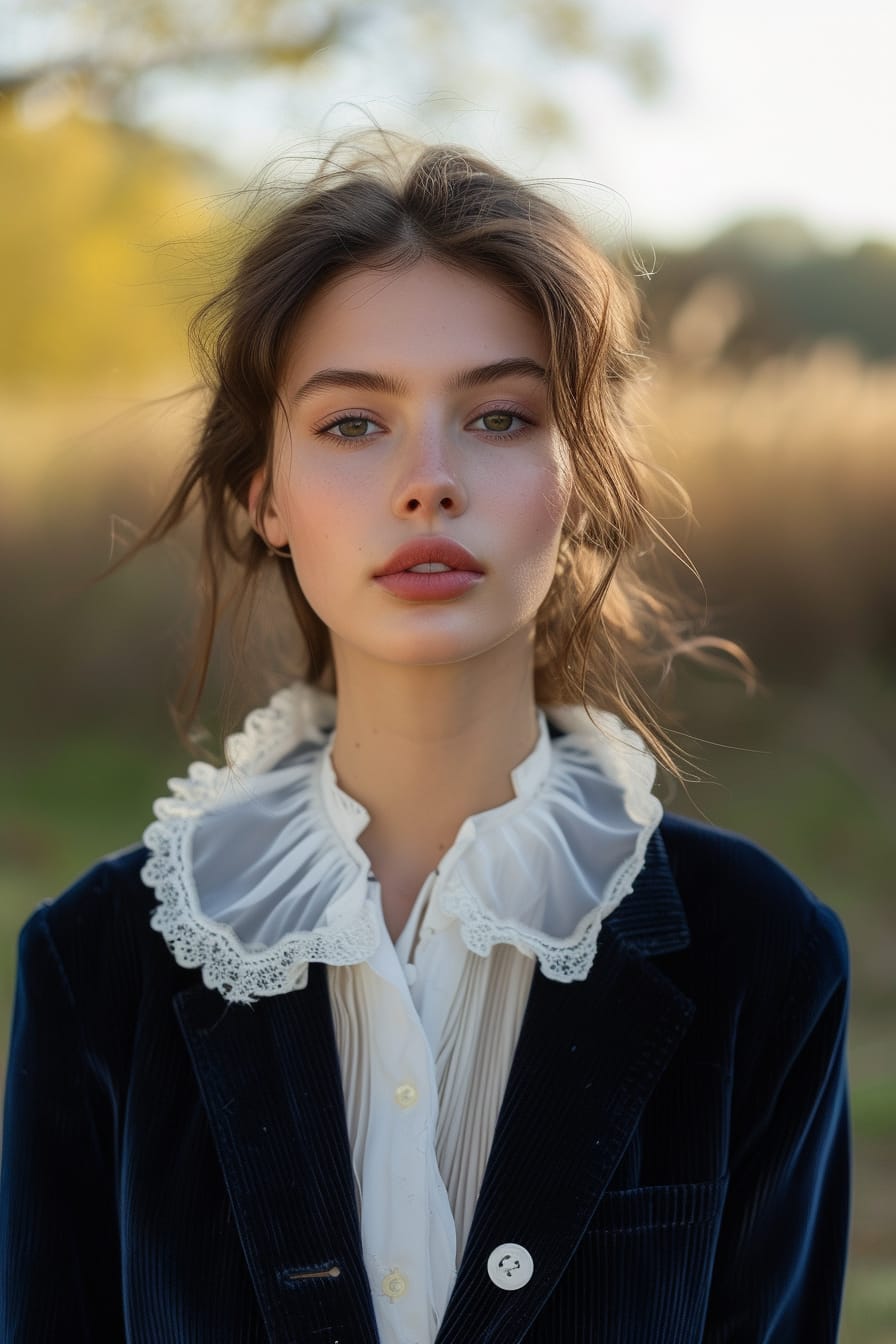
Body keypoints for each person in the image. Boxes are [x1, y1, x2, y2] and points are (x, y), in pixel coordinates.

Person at [0, 137, 849, 1343]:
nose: (427, 481)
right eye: (353, 424)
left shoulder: (758, 956)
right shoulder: (97, 966)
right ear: (266, 495)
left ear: (583, 482)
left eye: (499, 416)